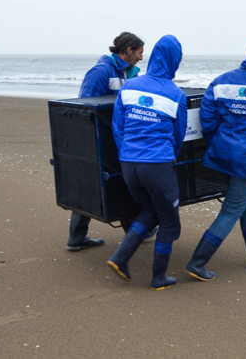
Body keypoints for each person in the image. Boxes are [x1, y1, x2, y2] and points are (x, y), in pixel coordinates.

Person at [186, 38, 246, 282]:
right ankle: (197, 263)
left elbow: (207, 117)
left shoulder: (221, 81)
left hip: (221, 154)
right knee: (231, 210)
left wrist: (217, 139)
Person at [106, 34, 187, 290]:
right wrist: (166, 158)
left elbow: (117, 126)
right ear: (175, 61)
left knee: (151, 210)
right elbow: (179, 135)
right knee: (169, 220)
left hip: (129, 163)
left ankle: (120, 258)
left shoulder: (130, 87)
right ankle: (158, 277)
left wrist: (126, 153)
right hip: (157, 164)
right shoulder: (175, 94)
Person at [66, 32, 145, 252]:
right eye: (139, 52)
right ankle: (77, 238)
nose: (140, 57)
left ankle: (133, 231)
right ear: (128, 50)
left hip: (117, 138)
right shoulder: (101, 72)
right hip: (100, 139)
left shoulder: (127, 73)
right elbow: (85, 106)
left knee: (120, 182)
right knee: (92, 185)